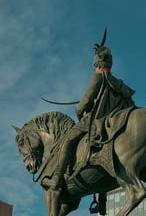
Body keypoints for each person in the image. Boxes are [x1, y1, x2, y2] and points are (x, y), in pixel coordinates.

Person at [44, 44, 136, 190]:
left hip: (96, 119)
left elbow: (86, 101)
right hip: (114, 120)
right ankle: (102, 198)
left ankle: (56, 177)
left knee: (66, 141)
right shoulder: (118, 83)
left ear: (97, 65)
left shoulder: (98, 77)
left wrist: (80, 112)